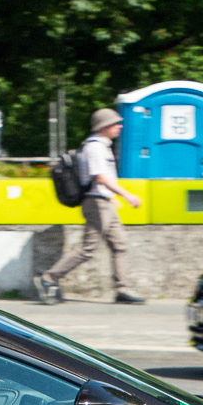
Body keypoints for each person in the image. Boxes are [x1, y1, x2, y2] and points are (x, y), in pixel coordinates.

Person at [34, 106, 145, 304]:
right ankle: (49, 278)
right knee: (88, 249)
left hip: (104, 202)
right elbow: (100, 177)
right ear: (104, 127)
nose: (119, 127)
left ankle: (122, 289)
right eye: (115, 124)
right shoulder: (94, 147)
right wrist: (127, 195)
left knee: (119, 244)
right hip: (96, 204)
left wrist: (111, 198)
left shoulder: (102, 146)